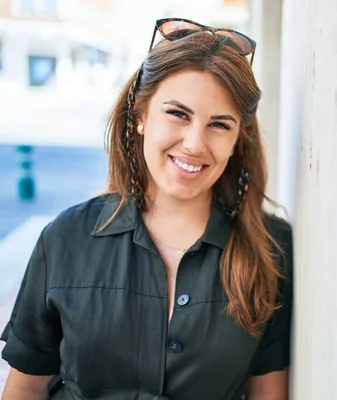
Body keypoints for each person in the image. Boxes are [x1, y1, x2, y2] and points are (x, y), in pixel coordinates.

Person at [0, 18, 293, 400]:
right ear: (140, 116)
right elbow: (25, 388)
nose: (193, 143)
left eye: (219, 124)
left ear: (238, 139)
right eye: (178, 114)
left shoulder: (270, 252)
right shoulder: (65, 238)